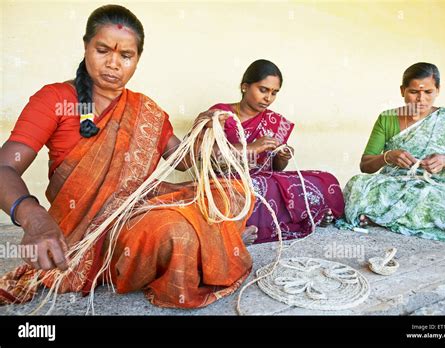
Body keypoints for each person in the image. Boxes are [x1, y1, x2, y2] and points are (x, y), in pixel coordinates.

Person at [0, 5, 256, 308]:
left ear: (137, 60)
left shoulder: (144, 109)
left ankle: (214, 241)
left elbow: (182, 160)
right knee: (175, 234)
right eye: (103, 50)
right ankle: (211, 242)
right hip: (84, 227)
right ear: (86, 47)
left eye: (125, 56)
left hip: (136, 210)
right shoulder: (55, 99)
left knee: (236, 194)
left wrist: (203, 132)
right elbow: (4, 167)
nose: (112, 63)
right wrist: (35, 218)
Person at [208, 59, 345, 244]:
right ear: (245, 87)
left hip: (263, 177)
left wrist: (283, 156)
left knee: (324, 178)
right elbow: (205, 152)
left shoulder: (275, 121)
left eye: (274, 93)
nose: (268, 98)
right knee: (253, 189)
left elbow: (276, 168)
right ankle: (300, 218)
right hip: (226, 179)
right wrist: (252, 147)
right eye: (263, 90)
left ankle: (311, 215)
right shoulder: (221, 114)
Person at [342, 62, 445, 243]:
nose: (421, 99)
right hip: (395, 185)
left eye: (428, 92)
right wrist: (387, 157)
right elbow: (365, 166)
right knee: (357, 185)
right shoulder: (387, 118)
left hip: (441, 189)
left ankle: (387, 216)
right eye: (414, 92)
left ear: (438, 90)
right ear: (402, 90)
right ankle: (416, 218)